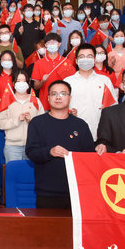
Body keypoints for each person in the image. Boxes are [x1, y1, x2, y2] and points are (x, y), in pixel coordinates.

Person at [25, 80, 95, 208]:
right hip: (47, 192)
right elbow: (31, 152)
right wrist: (49, 152)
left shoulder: (81, 125)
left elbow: (90, 156)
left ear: (70, 98)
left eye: (63, 94)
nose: (58, 97)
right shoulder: (37, 123)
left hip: (76, 190)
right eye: (54, 94)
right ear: (48, 98)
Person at [64, 43, 117, 140]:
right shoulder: (68, 82)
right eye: (82, 56)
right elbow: (61, 107)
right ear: (76, 61)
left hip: (100, 133)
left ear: (94, 59)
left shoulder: (104, 80)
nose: (86, 59)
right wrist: (69, 112)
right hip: (74, 133)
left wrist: (107, 109)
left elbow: (113, 105)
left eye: (89, 56)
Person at [0, 70, 44, 162]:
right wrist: (17, 120)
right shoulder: (7, 101)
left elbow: (43, 124)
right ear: (13, 83)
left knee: (31, 171)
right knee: (13, 170)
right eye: (18, 81)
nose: (21, 84)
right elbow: (1, 124)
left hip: (32, 145)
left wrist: (31, 121)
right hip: (12, 147)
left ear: (28, 83)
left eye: (24, 81)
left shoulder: (36, 101)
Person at [31, 33, 65, 110]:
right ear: (45, 45)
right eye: (49, 42)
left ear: (59, 44)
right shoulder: (38, 63)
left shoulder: (66, 62)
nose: (52, 44)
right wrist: (42, 81)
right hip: (45, 105)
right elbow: (36, 87)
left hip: (62, 104)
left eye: (55, 42)